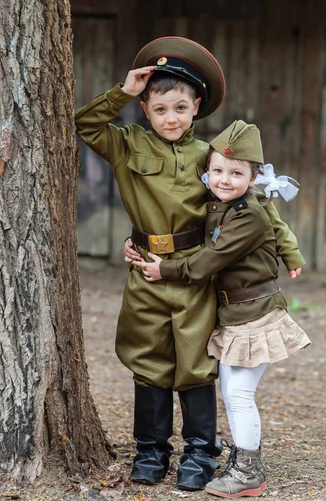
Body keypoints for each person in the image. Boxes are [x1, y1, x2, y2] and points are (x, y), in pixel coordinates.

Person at [75, 37, 305, 491]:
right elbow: (86, 123)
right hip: (146, 269)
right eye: (159, 109)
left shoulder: (210, 157)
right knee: (150, 359)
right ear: (145, 109)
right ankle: (151, 450)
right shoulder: (127, 144)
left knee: (197, 362)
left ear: (196, 106)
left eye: (180, 108)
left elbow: (255, 201)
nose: (170, 118)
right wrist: (124, 90)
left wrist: (289, 251)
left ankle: (200, 452)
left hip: (197, 271)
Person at [132, 120, 311, 497]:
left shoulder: (247, 214)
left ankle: (248, 474)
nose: (224, 179)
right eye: (216, 170)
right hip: (235, 314)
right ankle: (244, 463)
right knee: (233, 393)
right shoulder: (224, 205)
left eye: (235, 173)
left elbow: (207, 261)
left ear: (255, 176)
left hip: (254, 316)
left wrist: (163, 268)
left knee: (239, 395)